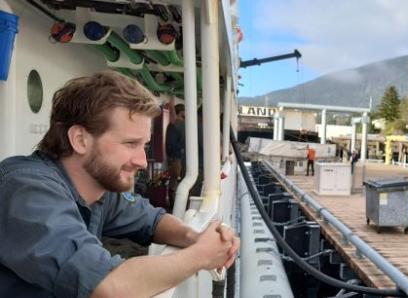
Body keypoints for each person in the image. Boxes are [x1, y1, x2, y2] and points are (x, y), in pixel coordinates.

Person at [0, 71, 239, 297]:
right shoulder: (26, 190)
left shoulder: (97, 188)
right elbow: (107, 287)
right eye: (130, 144)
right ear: (80, 140)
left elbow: (150, 220)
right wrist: (201, 255)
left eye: (144, 146)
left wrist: (194, 237)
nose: (143, 161)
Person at [165, 104, 185, 210]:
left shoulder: (175, 125)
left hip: (176, 157)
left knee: (175, 180)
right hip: (176, 157)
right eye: (183, 113)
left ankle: (174, 204)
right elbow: (171, 143)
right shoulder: (175, 126)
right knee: (175, 180)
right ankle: (173, 205)